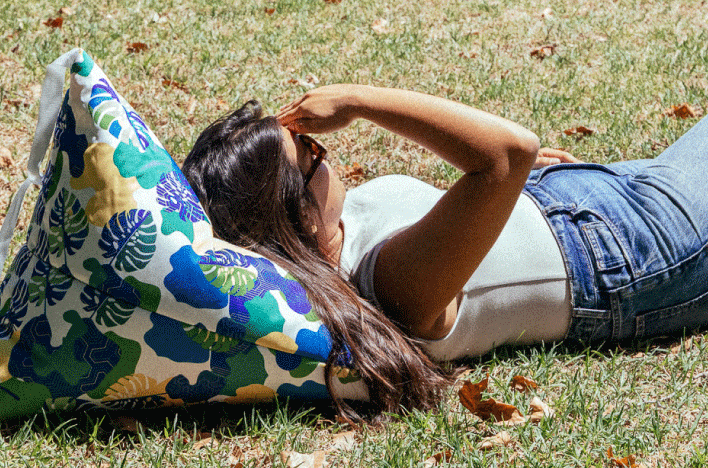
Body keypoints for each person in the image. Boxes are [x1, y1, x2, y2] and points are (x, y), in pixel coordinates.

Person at [181, 84, 708, 421]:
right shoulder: (388, 282)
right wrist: (357, 101)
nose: (327, 153)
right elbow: (507, 152)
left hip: (575, 205)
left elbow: (501, 175)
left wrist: (514, 193)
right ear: (298, 217)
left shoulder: (336, 236)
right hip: (634, 252)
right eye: (313, 155)